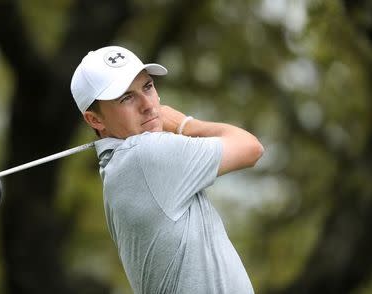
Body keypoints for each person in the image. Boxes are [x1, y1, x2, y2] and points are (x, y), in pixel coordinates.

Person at [70, 45, 264, 294]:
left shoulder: (118, 167)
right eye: (126, 97)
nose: (148, 105)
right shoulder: (145, 154)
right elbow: (251, 147)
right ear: (95, 120)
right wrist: (185, 123)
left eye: (147, 87)